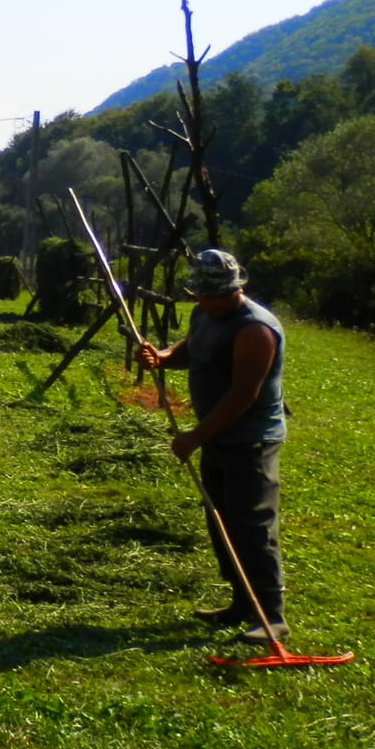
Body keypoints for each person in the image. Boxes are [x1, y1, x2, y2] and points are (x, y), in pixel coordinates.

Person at [135, 248, 289, 643]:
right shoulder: (204, 313)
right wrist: (163, 357)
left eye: (216, 296)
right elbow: (192, 349)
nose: (208, 302)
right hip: (217, 437)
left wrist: (194, 436)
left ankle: (270, 616)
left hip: (249, 440)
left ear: (235, 290)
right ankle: (241, 602)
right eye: (202, 296)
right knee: (221, 520)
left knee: (251, 525)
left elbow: (243, 395)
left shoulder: (255, 329)